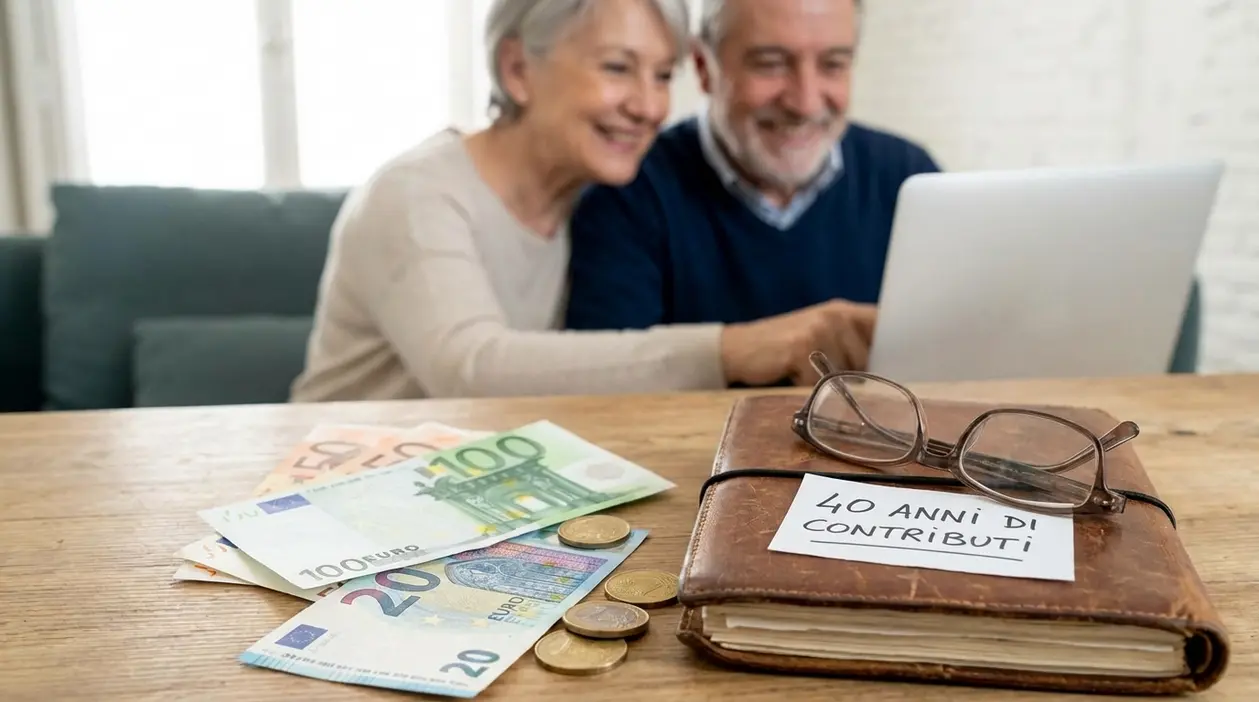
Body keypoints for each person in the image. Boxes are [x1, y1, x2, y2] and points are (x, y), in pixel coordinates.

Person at [290, 0, 868, 402]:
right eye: (618, 68)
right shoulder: (417, 194)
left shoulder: (598, 196)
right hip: (336, 498)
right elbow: (471, 371)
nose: (648, 107)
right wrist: (733, 349)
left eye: (662, 75)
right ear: (518, 70)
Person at [563, 0, 941, 374]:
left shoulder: (909, 179)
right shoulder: (627, 192)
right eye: (770, 64)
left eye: (833, 65)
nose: (805, 103)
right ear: (703, 67)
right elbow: (607, 387)